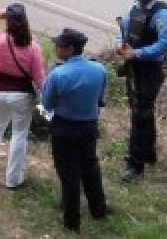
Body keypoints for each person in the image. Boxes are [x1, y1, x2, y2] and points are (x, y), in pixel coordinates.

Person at [41, 28, 109, 234]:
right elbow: (100, 100)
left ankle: (71, 221)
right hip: (89, 126)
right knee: (90, 166)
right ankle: (99, 209)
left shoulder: (58, 74)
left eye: (58, 46)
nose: (55, 49)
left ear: (69, 49)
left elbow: (47, 103)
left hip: (64, 127)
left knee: (69, 173)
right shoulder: (100, 70)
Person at [0, 3, 46, 189]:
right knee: (19, 134)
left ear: (8, 21)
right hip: (21, 95)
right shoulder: (33, 48)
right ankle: (13, 179)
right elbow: (39, 78)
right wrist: (48, 97)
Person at [116, 0, 167, 181]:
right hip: (133, 67)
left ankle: (135, 165)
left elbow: (165, 44)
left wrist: (138, 53)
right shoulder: (134, 9)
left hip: (150, 70)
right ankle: (148, 154)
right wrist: (120, 45)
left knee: (140, 114)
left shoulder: (161, 15)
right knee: (142, 111)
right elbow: (123, 30)